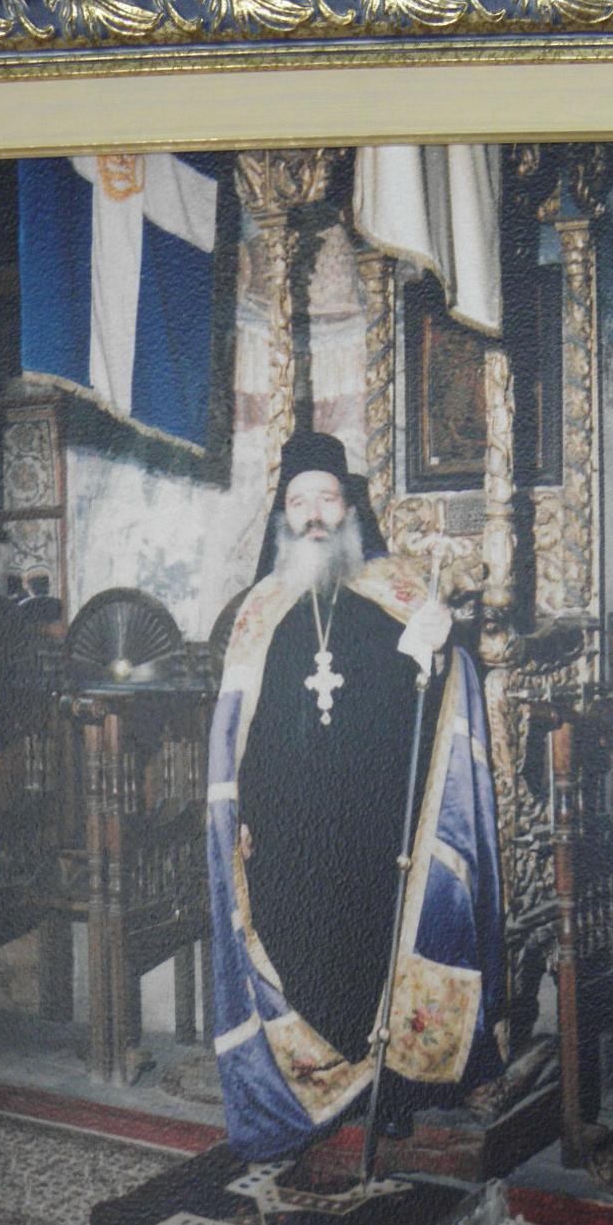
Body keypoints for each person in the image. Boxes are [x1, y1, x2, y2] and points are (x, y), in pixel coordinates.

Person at [207, 430, 506, 1161]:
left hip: (377, 819)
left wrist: (435, 648)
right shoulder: (259, 609)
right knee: (298, 943)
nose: (314, 515)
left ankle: (391, 1091)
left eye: (326, 500)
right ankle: (317, 1081)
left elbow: (432, 701)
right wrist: (242, 811)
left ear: (348, 510)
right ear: (283, 515)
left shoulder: (394, 590)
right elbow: (240, 730)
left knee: (379, 947)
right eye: (299, 502)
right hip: (288, 825)